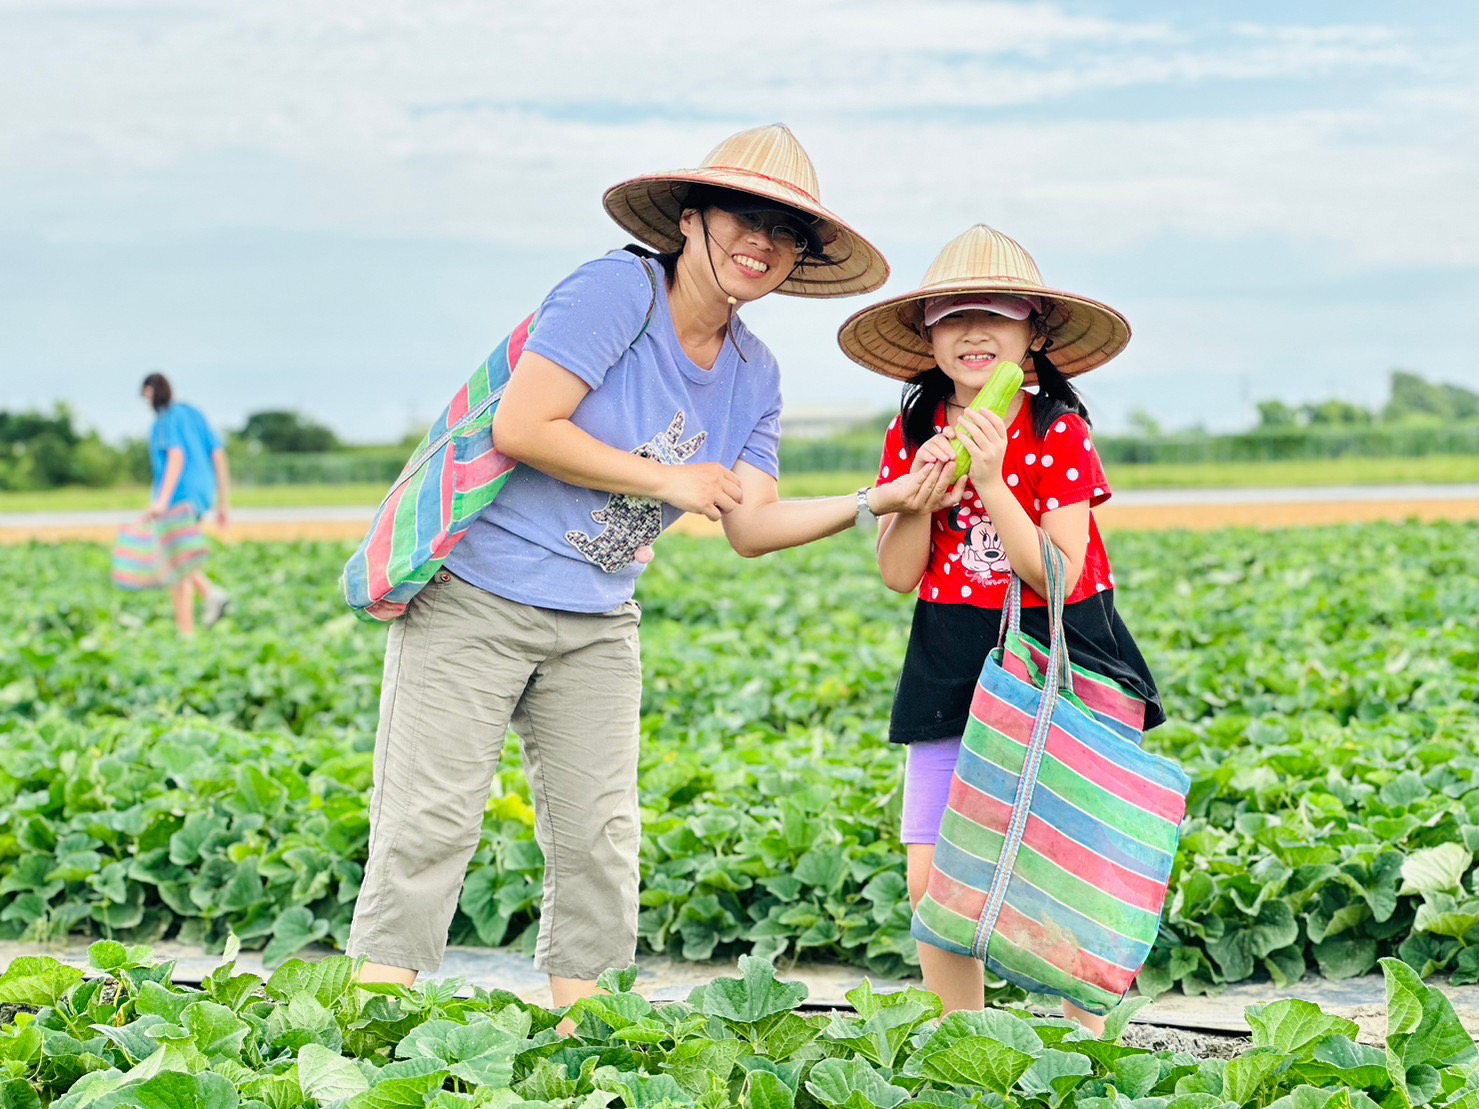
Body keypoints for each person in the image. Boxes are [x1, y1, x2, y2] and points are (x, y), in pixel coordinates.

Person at [345, 125, 931, 1013]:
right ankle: (375, 1019)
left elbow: (752, 524)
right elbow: (526, 425)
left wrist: (875, 500)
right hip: (478, 593)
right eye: (743, 216)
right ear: (691, 220)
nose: (761, 242)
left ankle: (589, 1027)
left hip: (597, 619)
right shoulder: (616, 290)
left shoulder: (753, 372)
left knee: (600, 835)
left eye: (786, 233)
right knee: (431, 819)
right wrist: (669, 479)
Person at [837, 224, 1165, 1031]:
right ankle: (964, 1036)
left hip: (1064, 653)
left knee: (1067, 865)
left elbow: (1057, 575)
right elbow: (896, 571)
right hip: (952, 650)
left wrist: (991, 477)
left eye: (996, 314)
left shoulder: (1056, 429)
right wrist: (921, 497)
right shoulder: (912, 430)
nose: (972, 330)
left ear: (1034, 332)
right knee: (932, 874)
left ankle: (1085, 1045)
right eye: (951, 315)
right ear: (927, 334)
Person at [141, 372, 231, 636]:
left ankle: (189, 630)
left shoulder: (166, 420)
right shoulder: (194, 413)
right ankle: (209, 598)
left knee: (176, 567)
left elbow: (176, 458)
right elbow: (218, 456)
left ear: (151, 393)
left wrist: (161, 502)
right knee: (179, 559)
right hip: (202, 496)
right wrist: (223, 503)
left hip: (178, 497)